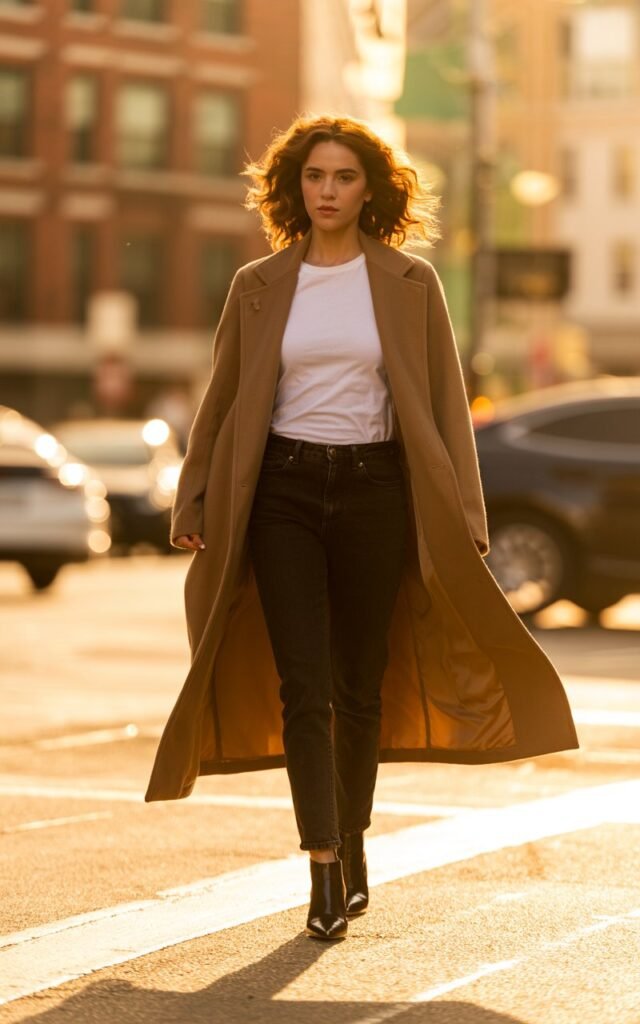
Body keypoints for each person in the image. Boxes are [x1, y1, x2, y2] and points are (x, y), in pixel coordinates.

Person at [145, 114, 578, 942]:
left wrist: (467, 515)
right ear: (294, 188)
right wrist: (194, 497)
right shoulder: (258, 283)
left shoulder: (411, 283)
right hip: (282, 491)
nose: (329, 191)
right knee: (302, 685)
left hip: (378, 490)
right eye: (315, 177)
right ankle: (320, 862)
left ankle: (353, 836)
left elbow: (447, 406)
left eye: (344, 178)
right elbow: (226, 396)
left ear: (370, 189)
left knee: (359, 684)